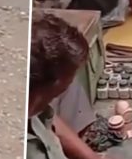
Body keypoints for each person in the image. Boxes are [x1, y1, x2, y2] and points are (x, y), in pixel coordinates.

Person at [27, 11, 108, 159]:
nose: (71, 81)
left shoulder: (35, 104)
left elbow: (48, 118)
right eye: (69, 77)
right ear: (56, 83)